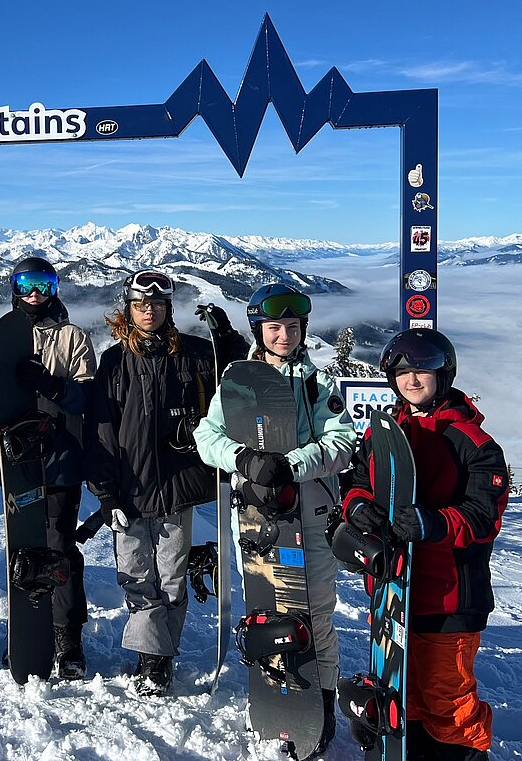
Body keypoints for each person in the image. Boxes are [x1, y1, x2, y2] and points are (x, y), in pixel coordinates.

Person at [193, 284, 360, 749]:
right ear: (258, 331)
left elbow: (342, 443)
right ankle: (272, 694)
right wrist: (243, 459)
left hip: (311, 516)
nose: (284, 335)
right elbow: (206, 436)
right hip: (256, 517)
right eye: (274, 327)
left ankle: (320, 699)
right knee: (265, 607)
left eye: (292, 326)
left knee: (315, 613)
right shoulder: (238, 383)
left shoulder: (317, 385)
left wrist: (291, 465)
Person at [341, 328, 507, 761]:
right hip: (393, 591)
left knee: (448, 703)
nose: (411, 380)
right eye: (402, 372)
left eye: (422, 370)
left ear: (443, 374)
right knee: (402, 696)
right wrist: (358, 508)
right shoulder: (385, 433)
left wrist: (430, 523)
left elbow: (483, 518)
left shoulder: (474, 444)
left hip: (449, 597)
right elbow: (357, 483)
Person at [85, 268, 242, 696]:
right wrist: (104, 491)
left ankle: (158, 659)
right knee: (136, 574)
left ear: (168, 309)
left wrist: (226, 338)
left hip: (177, 484)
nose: (149, 310)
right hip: (129, 486)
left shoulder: (193, 355)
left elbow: (238, 377)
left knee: (171, 576)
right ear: (129, 310)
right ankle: (150, 654)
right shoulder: (114, 362)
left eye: (156, 303)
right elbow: (100, 431)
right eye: (140, 304)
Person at [0, 256, 98, 679]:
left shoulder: (72, 337)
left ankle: (67, 637)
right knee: (23, 545)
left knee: (58, 547)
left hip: (60, 460)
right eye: (26, 284)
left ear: (55, 289)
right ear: (13, 287)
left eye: (43, 284)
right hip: (19, 463)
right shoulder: (3, 337)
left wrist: (49, 384)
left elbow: (86, 400)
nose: (34, 293)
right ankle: (29, 629)